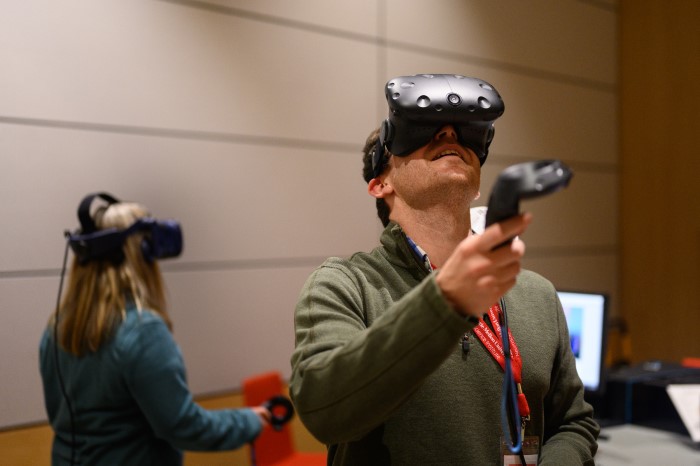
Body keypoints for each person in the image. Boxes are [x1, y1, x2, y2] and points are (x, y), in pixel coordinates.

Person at [289, 74, 599, 465]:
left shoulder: (535, 293)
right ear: (379, 183)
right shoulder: (344, 286)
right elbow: (324, 410)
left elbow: (574, 424)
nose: (449, 134)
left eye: (462, 133)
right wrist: (445, 300)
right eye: (424, 132)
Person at [39, 193, 270, 466]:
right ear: (142, 255)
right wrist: (249, 421)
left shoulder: (56, 329)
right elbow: (183, 426)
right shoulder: (142, 331)